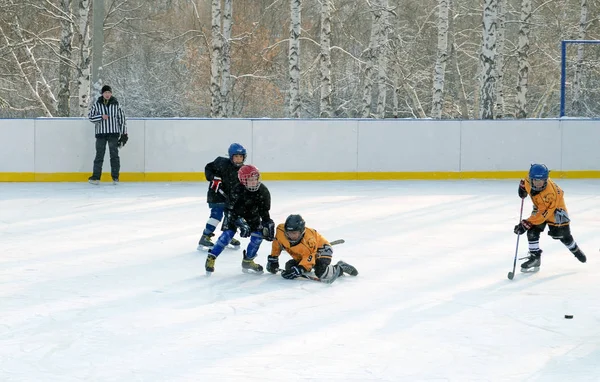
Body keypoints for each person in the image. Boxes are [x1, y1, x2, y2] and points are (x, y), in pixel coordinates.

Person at [514, 163, 587, 272]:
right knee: (532, 232)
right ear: (531, 178)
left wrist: (526, 223)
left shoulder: (550, 194)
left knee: (563, 236)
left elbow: (543, 214)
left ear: (546, 179)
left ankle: (574, 249)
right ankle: (535, 258)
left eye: (541, 181)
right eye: (535, 181)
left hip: (556, 211)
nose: (538, 184)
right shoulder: (528, 179)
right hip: (540, 207)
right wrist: (523, 187)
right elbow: (525, 182)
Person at [205, 164, 275, 275]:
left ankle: (248, 261)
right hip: (234, 215)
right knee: (227, 235)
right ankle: (212, 256)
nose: (254, 182)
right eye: (250, 179)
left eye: (255, 179)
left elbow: (264, 211)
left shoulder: (263, 191)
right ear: (243, 180)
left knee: (258, 237)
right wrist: (240, 222)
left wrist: (267, 222)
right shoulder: (236, 190)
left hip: (252, 216)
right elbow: (229, 209)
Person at [266, 214, 358, 283]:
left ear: (301, 231)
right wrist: (273, 259)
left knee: (321, 272)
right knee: (290, 267)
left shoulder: (309, 241)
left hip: (322, 249)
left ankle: (341, 267)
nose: (290, 236)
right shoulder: (280, 230)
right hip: (303, 254)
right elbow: (277, 243)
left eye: (294, 233)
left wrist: (301, 268)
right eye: (289, 232)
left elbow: (309, 258)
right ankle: (310, 267)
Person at [197, 143, 247, 250]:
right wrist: (213, 177)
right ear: (230, 156)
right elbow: (208, 168)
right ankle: (205, 237)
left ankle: (226, 236)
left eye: (240, 157)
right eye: (236, 156)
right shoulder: (221, 162)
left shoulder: (243, 170)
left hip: (230, 197)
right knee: (217, 215)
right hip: (216, 195)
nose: (238, 159)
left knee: (231, 217)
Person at [87, 85, 127, 185]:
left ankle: (115, 177)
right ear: (102, 94)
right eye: (105, 93)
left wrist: (124, 134)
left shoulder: (116, 104)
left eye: (109, 92)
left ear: (111, 93)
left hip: (113, 133)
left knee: (114, 155)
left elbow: (121, 120)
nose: (107, 94)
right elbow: (91, 117)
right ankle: (96, 177)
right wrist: (101, 117)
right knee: (99, 155)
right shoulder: (97, 104)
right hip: (101, 134)